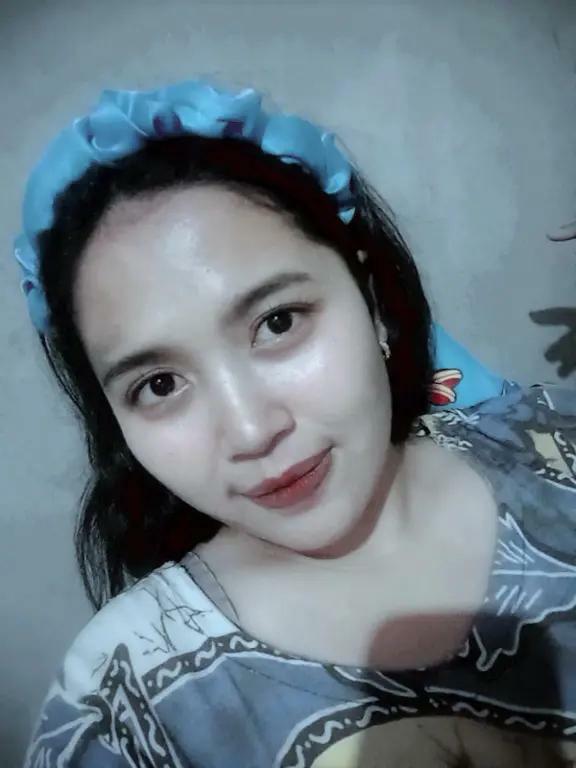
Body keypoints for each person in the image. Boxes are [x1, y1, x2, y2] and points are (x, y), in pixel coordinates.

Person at [14, 79, 576, 768]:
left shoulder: (557, 442)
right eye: (159, 385)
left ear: (373, 300)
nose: (252, 431)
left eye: (278, 322)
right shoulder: (118, 708)